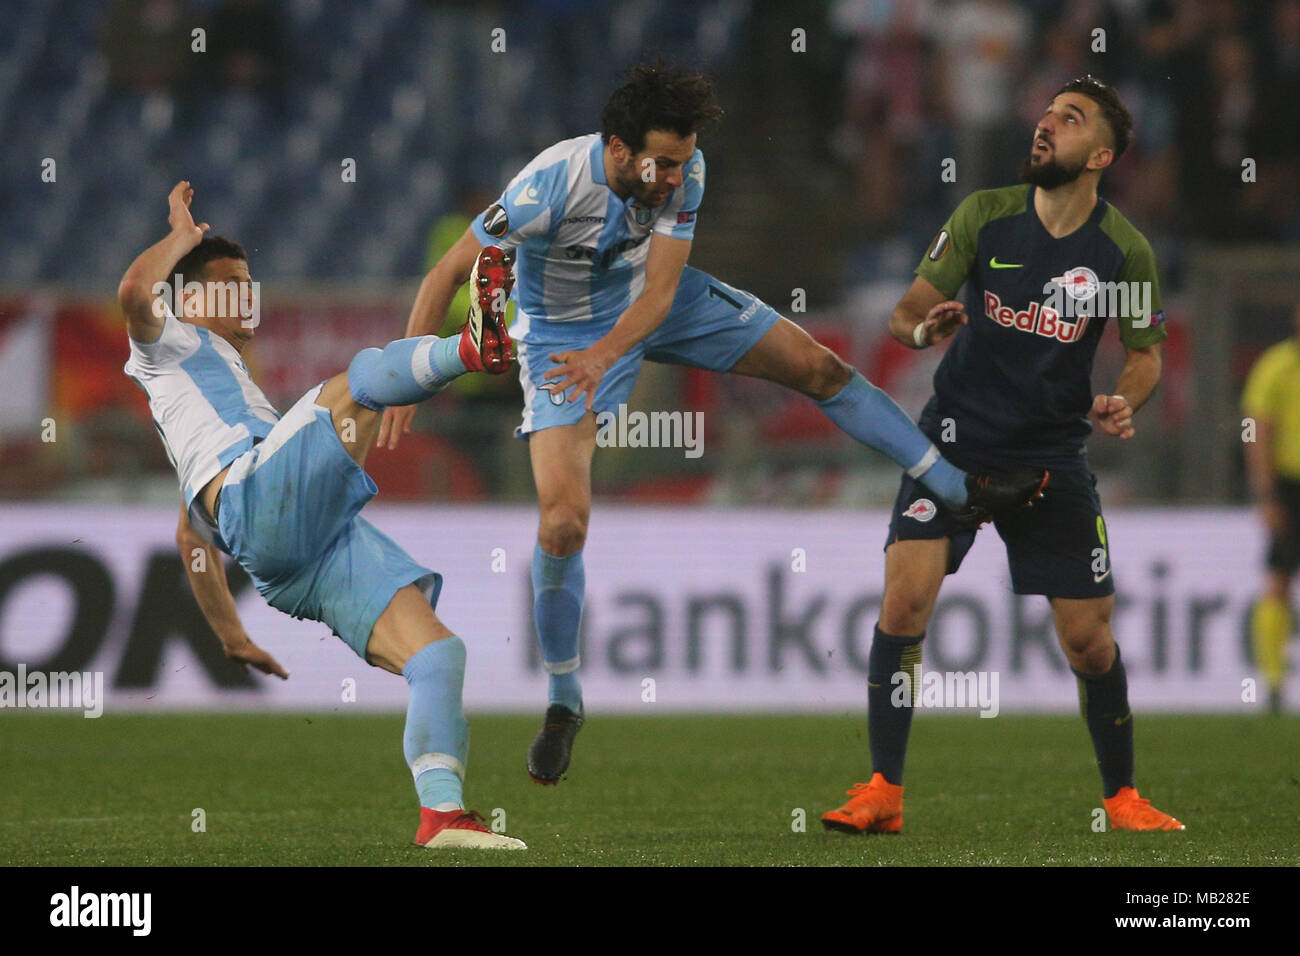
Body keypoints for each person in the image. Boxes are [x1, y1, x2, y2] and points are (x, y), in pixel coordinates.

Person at [381, 63, 1045, 785]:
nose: (673, 175)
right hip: (562, 342)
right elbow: (446, 272)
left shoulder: (685, 169)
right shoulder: (548, 185)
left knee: (818, 368)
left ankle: (953, 486)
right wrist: (411, 374)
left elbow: (662, 289)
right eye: (659, 162)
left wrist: (610, 353)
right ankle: (564, 700)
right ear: (615, 148)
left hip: (656, 308)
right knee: (562, 524)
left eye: (680, 160)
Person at [821, 76, 1184, 834]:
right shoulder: (985, 214)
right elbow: (906, 312)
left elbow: (1146, 355)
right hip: (952, 441)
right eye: (1047, 112)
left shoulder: (1123, 251)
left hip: (1052, 453)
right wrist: (926, 332)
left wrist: (1127, 397)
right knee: (903, 601)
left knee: (1089, 642)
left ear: (1102, 155)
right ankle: (883, 790)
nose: (1046, 124)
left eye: (1070, 118)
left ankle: (1122, 799)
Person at [120, 181, 524, 849]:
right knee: (358, 381)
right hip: (261, 504)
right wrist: (182, 238)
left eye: (248, 284)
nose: (245, 297)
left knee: (437, 656)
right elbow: (134, 294)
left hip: (298, 556)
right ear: (186, 297)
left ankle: (442, 815)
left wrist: (231, 637)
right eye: (227, 285)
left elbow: (191, 536)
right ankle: (472, 352)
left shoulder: (217, 392)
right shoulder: (164, 343)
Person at [1241, 303, 1300, 713]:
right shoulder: (1277, 365)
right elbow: (1256, 427)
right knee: (1279, 579)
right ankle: (1274, 681)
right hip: (1290, 486)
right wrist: (1265, 494)